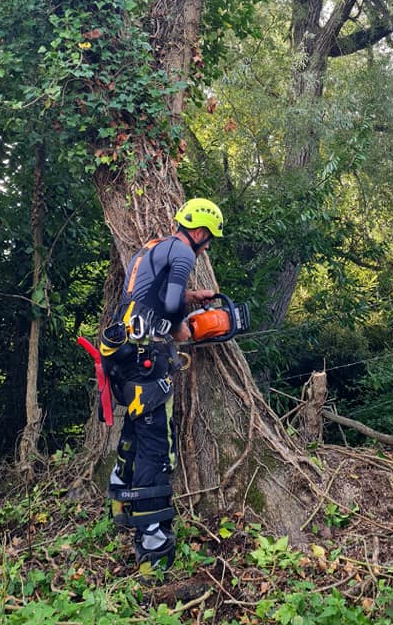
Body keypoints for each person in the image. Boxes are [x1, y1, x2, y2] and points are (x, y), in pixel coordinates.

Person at [100, 197, 223, 575]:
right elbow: (168, 306)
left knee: (136, 429)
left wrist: (192, 296)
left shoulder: (149, 249)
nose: (207, 247)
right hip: (147, 358)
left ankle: (120, 503)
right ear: (199, 232)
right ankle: (153, 541)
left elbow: (150, 296)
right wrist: (182, 325)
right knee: (157, 444)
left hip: (123, 355)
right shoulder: (184, 254)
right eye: (209, 239)